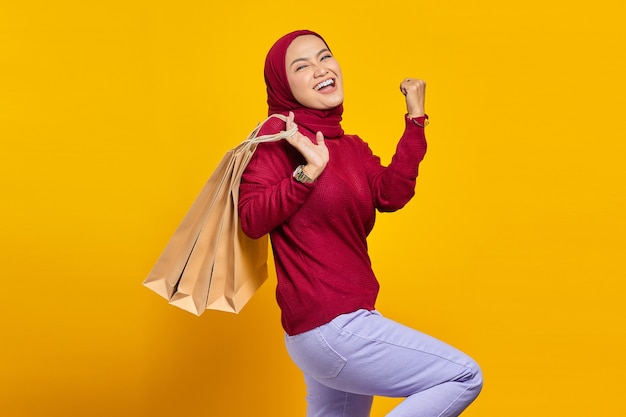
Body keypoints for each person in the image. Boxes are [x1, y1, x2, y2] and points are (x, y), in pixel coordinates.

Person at [238, 30, 482, 417]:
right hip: (330, 325)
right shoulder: (278, 136)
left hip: (342, 323)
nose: (320, 69)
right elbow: (251, 218)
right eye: (302, 66)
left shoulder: (350, 146)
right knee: (463, 376)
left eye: (325, 57)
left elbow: (391, 193)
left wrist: (415, 120)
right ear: (284, 85)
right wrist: (306, 174)